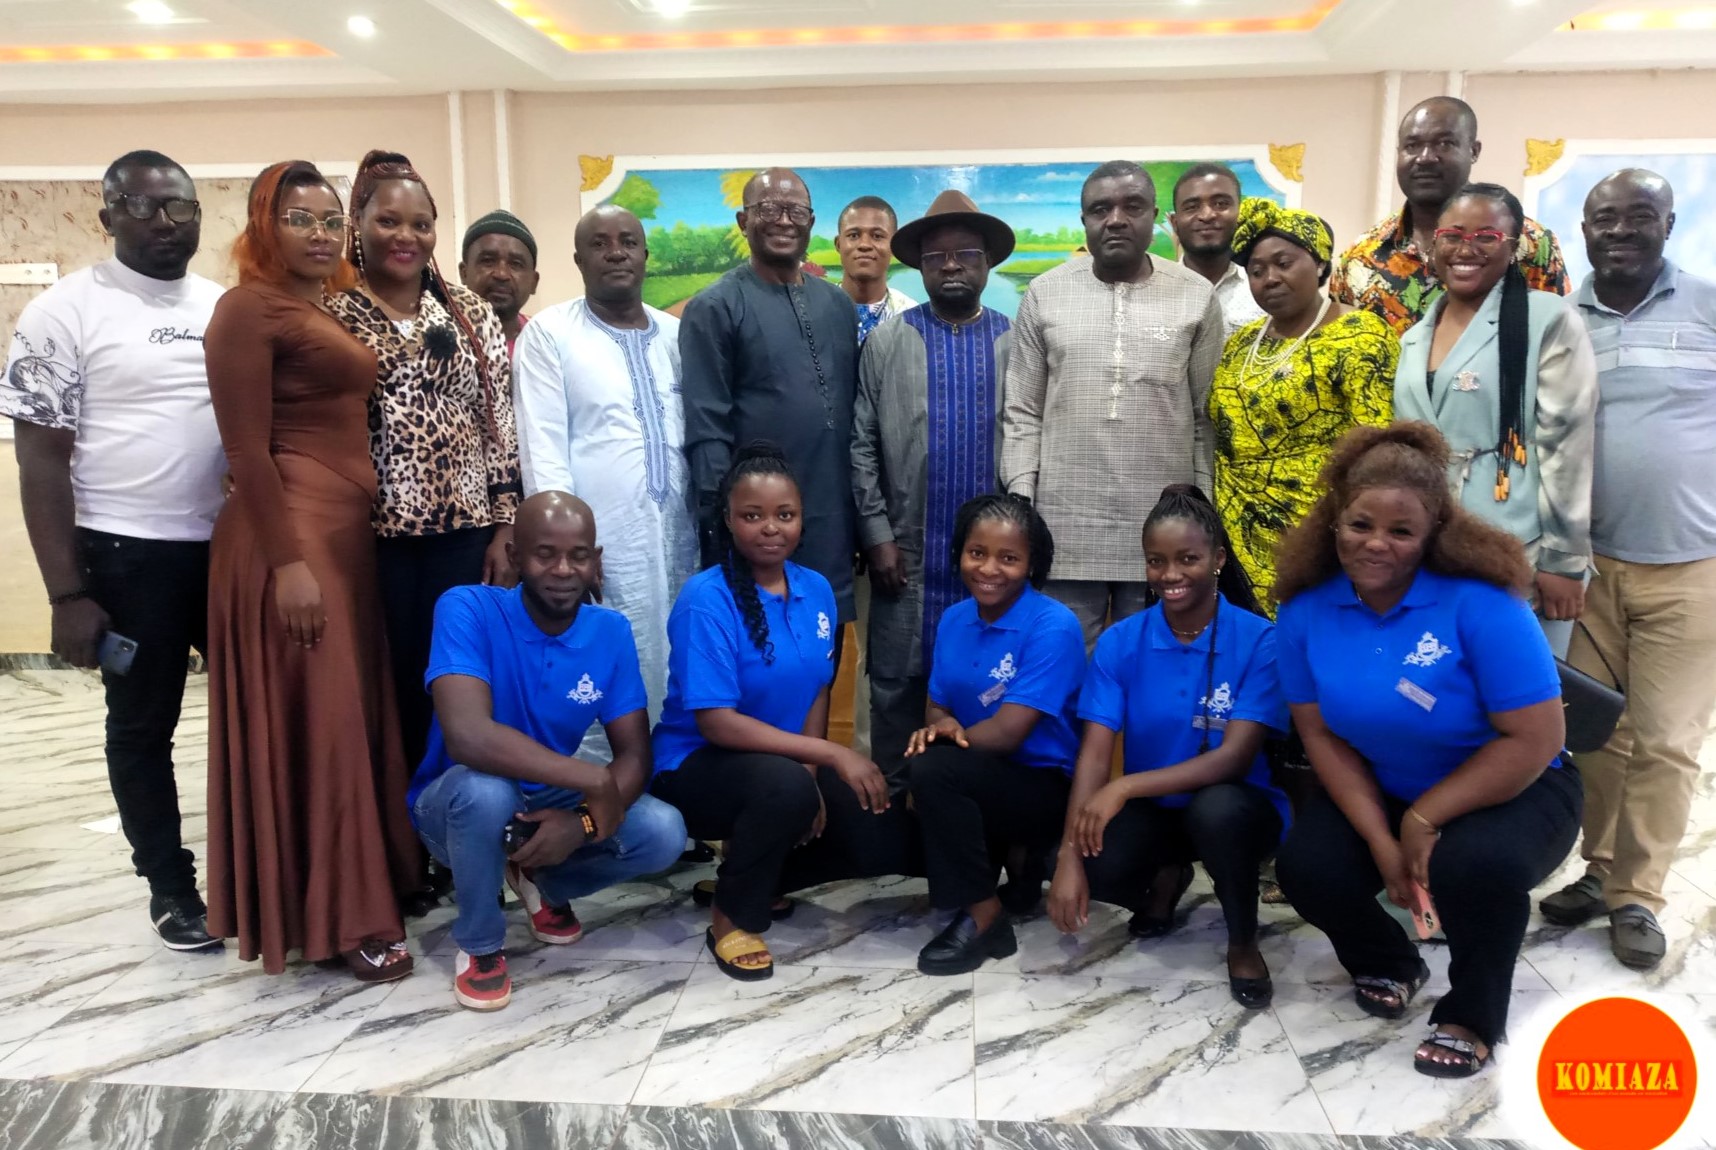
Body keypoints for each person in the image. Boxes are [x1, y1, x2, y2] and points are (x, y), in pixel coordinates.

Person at [1272, 422, 1580, 1079]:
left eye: (1402, 531)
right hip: (1387, 782)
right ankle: (1388, 960)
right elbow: (1320, 734)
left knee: (1475, 866)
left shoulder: (1484, 605)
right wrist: (1383, 841)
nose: (1376, 543)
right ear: (1334, 518)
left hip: (1516, 785)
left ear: (1434, 530)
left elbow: (1538, 737)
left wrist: (1423, 818)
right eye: (1360, 524)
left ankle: (1472, 1015)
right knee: (1308, 866)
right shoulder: (1304, 611)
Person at [202, 160, 422, 980]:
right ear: (265, 225)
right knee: (323, 729)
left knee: (341, 723)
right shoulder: (245, 309)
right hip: (291, 539)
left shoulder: (317, 307)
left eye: (332, 220)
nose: (321, 234)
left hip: (343, 538)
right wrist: (288, 564)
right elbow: (246, 451)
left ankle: (355, 891)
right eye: (301, 219)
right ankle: (343, 921)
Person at [4, 149, 224, 951]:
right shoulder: (64, 312)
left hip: (227, 551)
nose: (166, 222)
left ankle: (259, 871)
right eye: (144, 206)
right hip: (127, 557)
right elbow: (39, 460)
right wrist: (67, 594)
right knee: (141, 727)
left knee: (255, 714)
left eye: (181, 207)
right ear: (108, 218)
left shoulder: (222, 306)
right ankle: (171, 887)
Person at [410, 492, 686, 1011]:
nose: (562, 570)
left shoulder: (610, 631)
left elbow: (634, 756)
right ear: (515, 556)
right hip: (454, 807)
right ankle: (481, 944)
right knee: (487, 792)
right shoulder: (467, 608)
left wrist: (580, 824)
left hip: (546, 799)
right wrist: (591, 780)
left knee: (663, 830)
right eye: (545, 554)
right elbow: (468, 736)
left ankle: (541, 879)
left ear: (595, 561)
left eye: (578, 555)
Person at [1539, 169, 1716, 972]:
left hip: (1692, 568)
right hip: (1585, 570)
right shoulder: (1561, 321)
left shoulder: (1706, 306)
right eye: (1603, 218)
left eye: (1638, 216)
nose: (1619, 231)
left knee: (1668, 741)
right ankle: (1602, 869)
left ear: (1667, 224)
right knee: (1597, 734)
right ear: (1583, 230)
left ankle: (1639, 894)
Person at [650, 442, 893, 982]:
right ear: (729, 520)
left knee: (871, 824)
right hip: (691, 765)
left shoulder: (817, 590)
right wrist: (825, 757)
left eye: (784, 515)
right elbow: (716, 722)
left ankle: (757, 874)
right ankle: (732, 916)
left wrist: (810, 775)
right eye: (752, 515)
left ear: (801, 519)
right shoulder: (705, 598)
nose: (770, 528)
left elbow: (817, 690)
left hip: (778, 767)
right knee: (784, 789)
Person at [1047, 486, 1289, 1008]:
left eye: (1187, 559)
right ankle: (1168, 873)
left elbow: (1234, 759)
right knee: (1092, 858)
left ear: (1218, 559)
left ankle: (1242, 940)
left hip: (1238, 807)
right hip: (1158, 807)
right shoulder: (1122, 640)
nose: (1169, 574)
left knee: (1217, 811)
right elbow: (1094, 754)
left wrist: (1124, 786)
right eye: (1156, 561)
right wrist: (1069, 856)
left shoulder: (1260, 640)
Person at [328, 150, 523, 775]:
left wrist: (506, 524)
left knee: (461, 679)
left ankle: (461, 807)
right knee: (388, 679)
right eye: (388, 221)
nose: (405, 236)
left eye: (421, 223)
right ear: (359, 224)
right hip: (371, 534)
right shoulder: (331, 311)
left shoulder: (468, 312)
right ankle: (395, 814)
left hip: (465, 534)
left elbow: (499, 422)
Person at [1001, 160, 1225, 648]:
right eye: (1101, 209)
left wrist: (1203, 511)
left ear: (1155, 217)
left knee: (1154, 664)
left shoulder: (1196, 296)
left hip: (1165, 529)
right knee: (1062, 663)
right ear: (1084, 220)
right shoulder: (1045, 292)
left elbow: (1207, 417)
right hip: (1064, 523)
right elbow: (1022, 411)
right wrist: (1022, 501)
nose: (1116, 219)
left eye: (1132, 207)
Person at [512, 204, 696, 765]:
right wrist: (567, 554)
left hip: (681, 539)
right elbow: (542, 447)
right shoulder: (551, 333)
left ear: (646, 255)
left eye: (628, 242)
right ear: (578, 259)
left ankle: (671, 788)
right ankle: (596, 796)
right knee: (600, 663)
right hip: (601, 546)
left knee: (679, 660)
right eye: (600, 243)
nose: (616, 252)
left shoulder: (678, 336)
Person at [852, 189, 1015, 787]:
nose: (950, 265)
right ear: (918, 266)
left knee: (988, 690)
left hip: (990, 566)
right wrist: (877, 536)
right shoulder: (888, 341)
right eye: (935, 255)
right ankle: (890, 810)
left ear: (986, 262)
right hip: (907, 557)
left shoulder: (1014, 341)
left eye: (965, 253)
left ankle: (967, 808)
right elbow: (862, 444)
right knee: (895, 688)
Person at [1392, 183, 1597, 656]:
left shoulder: (1545, 318)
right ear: (1434, 243)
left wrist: (1563, 561)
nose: (1466, 249)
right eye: (1452, 235)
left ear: (1514, 246)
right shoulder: (1414, 335)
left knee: (1519, 690)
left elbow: (1567, 445)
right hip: (1431, 552)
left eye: (1486, 236)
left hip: (1519, 546)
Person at [907, 494, 1085, 975]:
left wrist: (939, 744)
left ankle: (986, 919)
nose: (989, 568)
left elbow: (1008, 733)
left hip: (1043, 784)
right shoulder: (953, 619)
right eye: (977, 552)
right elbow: (937, 703)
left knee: (932, 771)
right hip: (977, 770)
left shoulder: (1053, 625)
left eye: (1008, 558)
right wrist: (940, 725)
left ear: (1032, 564)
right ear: (959, 554)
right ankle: (1012, 873)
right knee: (895, 805)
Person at [680, 168, 860, 634]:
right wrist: (723, 529)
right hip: (757, 529)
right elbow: (707, 429)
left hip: (832, 518)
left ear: (811, 222)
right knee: (758, 649)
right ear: (743, 222)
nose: (783, 220)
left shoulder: (839, 306)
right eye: (769, 209)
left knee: (822, 649)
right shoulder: (715, 307)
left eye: (795, 211)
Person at [1211, 198, 1397, 602]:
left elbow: (1376, 449)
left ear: (1320, 264)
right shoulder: (1242, 342)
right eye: (1256, 271)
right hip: (1234, 531)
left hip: (1317, 535)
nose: (1270, 279)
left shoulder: (1360, 335)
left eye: (1284, 263)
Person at [1332, 97, 1569, 336]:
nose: (1425, 157)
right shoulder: (1360, 256)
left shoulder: (1530, 243)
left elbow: (1555, 335)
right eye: (1412, 146)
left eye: (1444, 143)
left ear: (1474, 151)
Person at [1169, 163, 1265, 336]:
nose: (1207, 215)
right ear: (1175, 223)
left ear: (1240, 214)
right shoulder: (1156, 294)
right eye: (1192, 207)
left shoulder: (1263, 290)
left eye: (1221, 204)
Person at [834, 195, 918, 345]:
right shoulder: (816, 309)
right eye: (854, 235)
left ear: (893, 246)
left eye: (877, 236)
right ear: (838, 244)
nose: (864, 245)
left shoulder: (911, 317)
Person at [459, 208, 540, 358]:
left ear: (533, 282)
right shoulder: (441, 337)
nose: (501, 274)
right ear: (464, 273)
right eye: (488, 261)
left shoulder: (544, 340)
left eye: (516, 264)